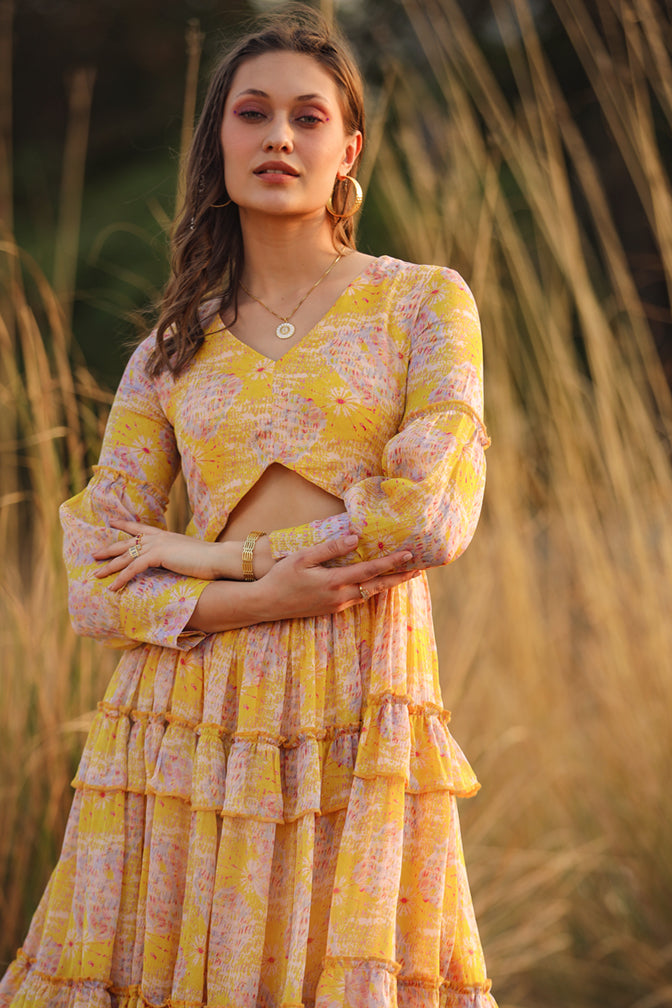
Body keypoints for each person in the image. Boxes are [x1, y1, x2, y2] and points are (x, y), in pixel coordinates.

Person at [0, 6, 496, 1007]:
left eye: (307, 117)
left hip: (352, 707)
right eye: (253, 113)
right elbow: (95, 582)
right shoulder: (168, 353)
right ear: (217, 141)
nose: (278, 135)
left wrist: (214, 560)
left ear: (347, 147)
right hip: (181, 725)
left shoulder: (421, 306)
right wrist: (256, 600)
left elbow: (430, 517)